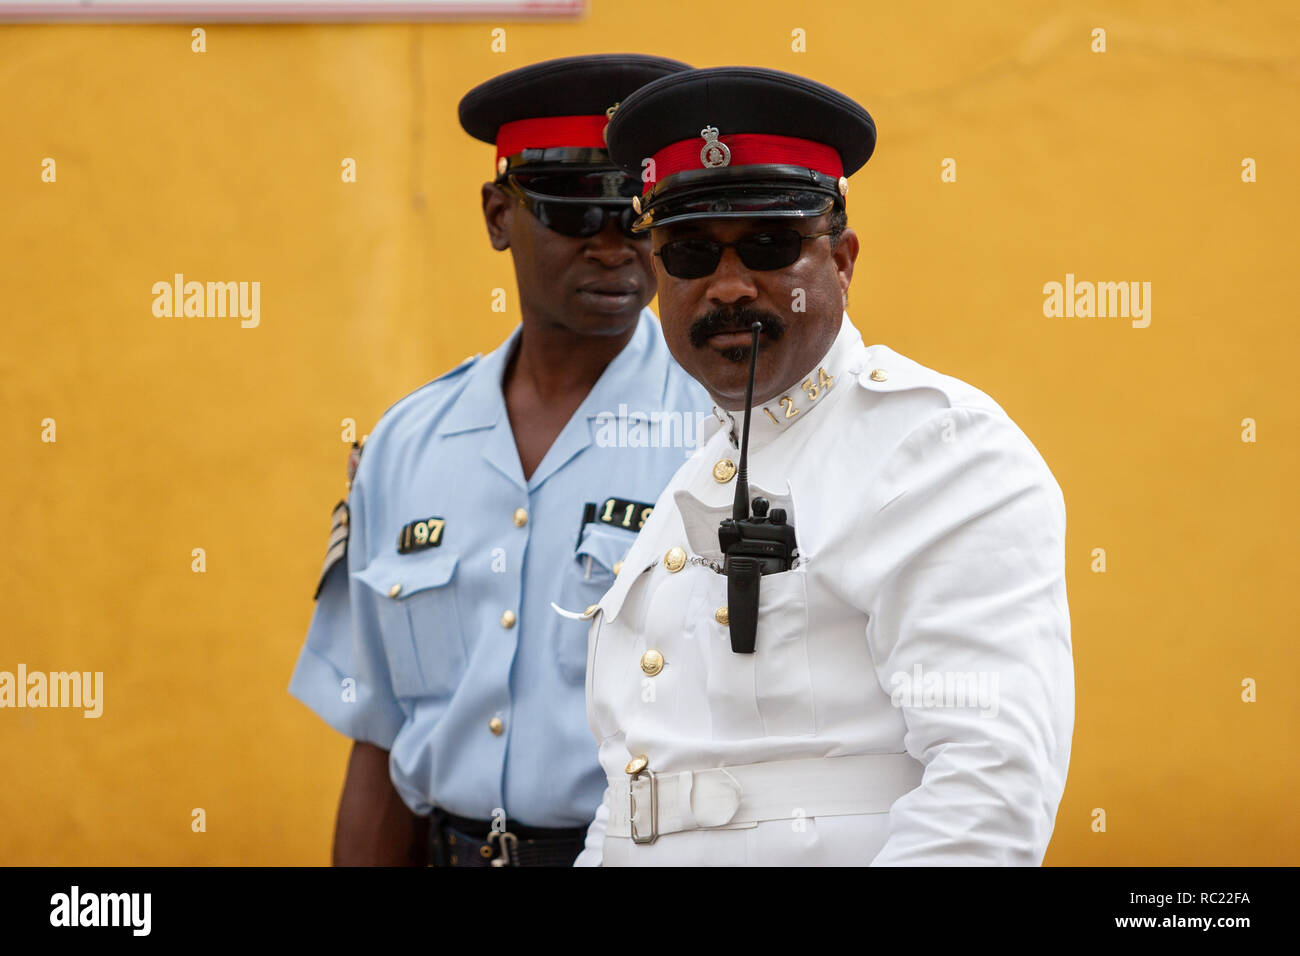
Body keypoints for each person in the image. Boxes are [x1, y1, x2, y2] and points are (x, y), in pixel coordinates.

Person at [575, 65, 1075, 866]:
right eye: (691, 253)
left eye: (771, 246)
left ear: (840, 260)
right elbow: (631, 790)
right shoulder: (688, 484)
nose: (728, 286)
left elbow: (986, 794)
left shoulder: (936, 450)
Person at [289, 53, 709, 867]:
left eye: (641, 218)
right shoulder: (405, 448)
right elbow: (379, 743)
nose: (615, 247)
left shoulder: (722, 439)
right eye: (577, 214)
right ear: (496, 215)